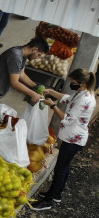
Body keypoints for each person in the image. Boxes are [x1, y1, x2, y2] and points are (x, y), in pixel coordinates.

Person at [31, 68, 97, 210]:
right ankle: (56, 194)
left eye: (73, 82)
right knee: (64, 167)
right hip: (73, 137)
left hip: (73, 140)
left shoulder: (85, 98)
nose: (71, 84)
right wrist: (52, 92)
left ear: (82, 83)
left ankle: (48, 202)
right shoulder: (83, 93)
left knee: (60, 169)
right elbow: (68, 99)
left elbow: (67, 119)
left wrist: (53, 106)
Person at [0, 38, 49, 142]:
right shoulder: (15, 55)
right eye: (39, 55)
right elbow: (15, 82)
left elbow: (21, 74)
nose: (37, 58)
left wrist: (35, 87)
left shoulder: (22, 55)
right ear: (34, 49)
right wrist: (32, 94)